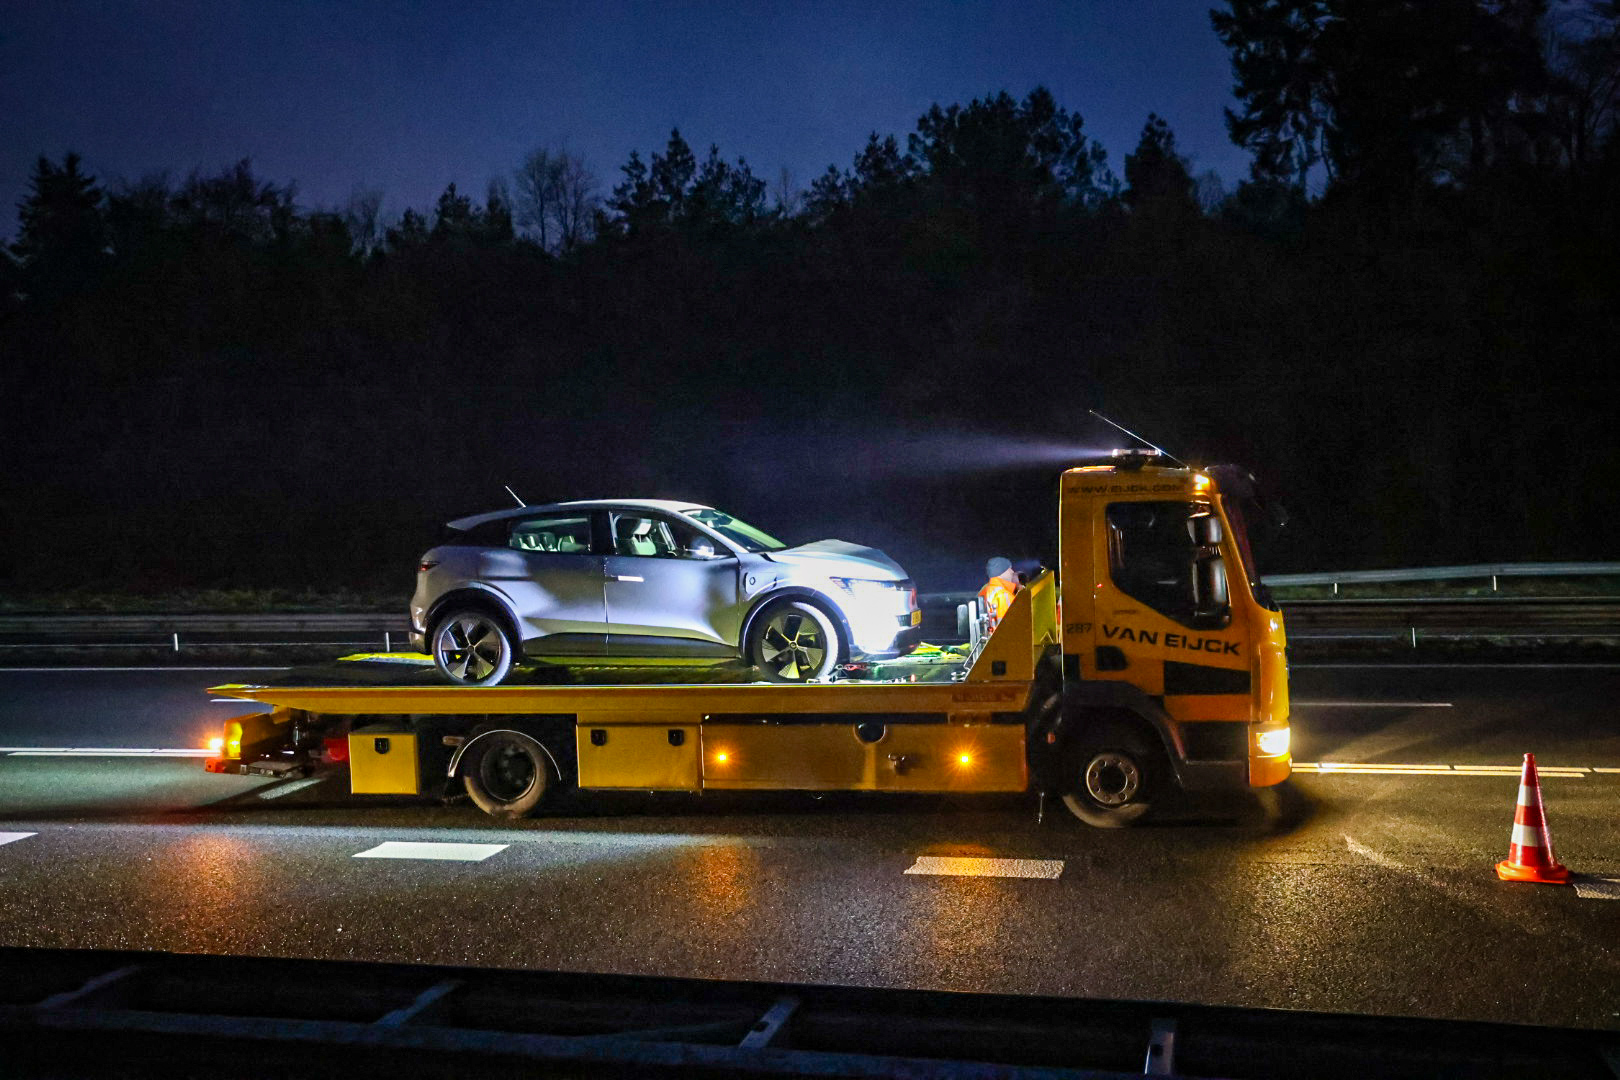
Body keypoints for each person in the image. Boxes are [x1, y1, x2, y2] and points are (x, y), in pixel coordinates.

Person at [978, 556, 1021, 632]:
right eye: (1009, 569)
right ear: (1001, 572)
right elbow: (1010, 628)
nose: (1012, 572)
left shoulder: (985, 590)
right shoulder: (1003, 595)